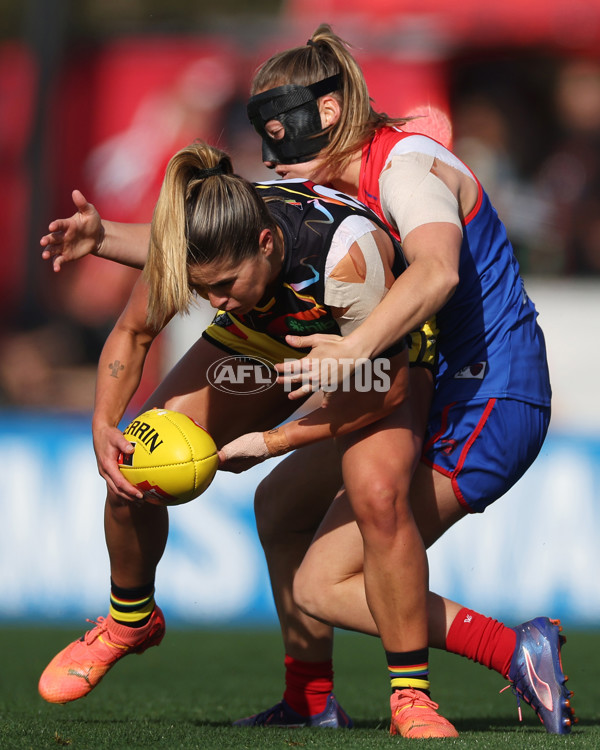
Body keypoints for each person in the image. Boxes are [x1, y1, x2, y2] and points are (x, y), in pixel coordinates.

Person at [39, 26, 576, 737]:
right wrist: (107, 237)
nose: (271, 151)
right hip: (392, 361)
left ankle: (486, 661)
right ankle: (299, 695)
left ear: (325, 114)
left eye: (277, 127)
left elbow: (437, 273)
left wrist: (312, 393)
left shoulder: (405, 170)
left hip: (484, 390)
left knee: (336, 562)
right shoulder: (316, 187)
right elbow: (221, 240)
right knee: (277, 505)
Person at [38, 141, 461, 737]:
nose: (213, 302)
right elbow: (133, 334)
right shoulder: (202, 243)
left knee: (378, 495)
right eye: (202, 288)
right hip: (261, 341)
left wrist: (271, 442)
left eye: (226, 285)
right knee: (135, 458)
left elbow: (384, 390)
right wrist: (103, 424)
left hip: (369, 353)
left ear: (265, 243)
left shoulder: (346, 258)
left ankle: (410, 698)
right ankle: (131, 619)